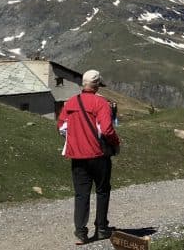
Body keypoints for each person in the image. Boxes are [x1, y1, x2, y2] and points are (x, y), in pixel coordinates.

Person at [58, 69, 121, 245]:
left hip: (77, 155)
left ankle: (81, 232)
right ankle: (101, 228)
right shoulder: (101, 103)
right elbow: (107, 129)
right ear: (97, 86)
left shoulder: (70, 102)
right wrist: (116, 143)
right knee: (102, 190)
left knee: (81, 193)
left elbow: (61, 127)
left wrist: (75, 139)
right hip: (98, 155)